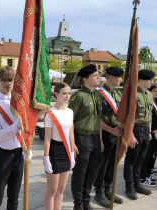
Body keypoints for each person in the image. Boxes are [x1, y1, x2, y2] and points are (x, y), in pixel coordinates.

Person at [0, 66, 26, 210]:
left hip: (19, 152)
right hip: (2, 155)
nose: (7, 83)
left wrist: (26, 145)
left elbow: (26, 128)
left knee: (14, 197)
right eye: (3, 80)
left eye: (10, 80)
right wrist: (17, 126)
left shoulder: (19, 101)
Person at [68, 64, 103, 210]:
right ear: (85, 79)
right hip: (82, 138)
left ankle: (86, 199)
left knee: (92, 171)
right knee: (80, 172)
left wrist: (100, 140)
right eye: (95, 76)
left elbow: (99, 120)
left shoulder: (98, 95)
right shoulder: (78, 96)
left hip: (95, 139)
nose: (98, 78)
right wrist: (73, 142)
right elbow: (70, 119)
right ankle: (78, 202)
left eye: (97, 75)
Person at [43, 82, 78, 210]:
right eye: (64, 93)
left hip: (67, 151)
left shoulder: (70, 112)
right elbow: (46, 138)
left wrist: (73, 153)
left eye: (69, 93)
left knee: (61, 189)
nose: (67, 96)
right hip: (54, 151)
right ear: (56, 94)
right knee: (52, 190)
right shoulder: (50, 113)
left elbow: (71, 134)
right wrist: (46, 158)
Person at [93, 67, 124, 207]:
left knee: (112, 163)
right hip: (105, 133)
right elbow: (97, 118)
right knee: (103, 163)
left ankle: (108, 189)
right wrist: (111, 130)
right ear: (112, 78)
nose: (121, 80)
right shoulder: (99, 94)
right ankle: (99, 191)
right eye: (119, 78)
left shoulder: (116, 93)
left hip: (115, 133)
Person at [123, 69, 155, 200]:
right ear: (141, 80)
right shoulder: (133, 95)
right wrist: (130, 135)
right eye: (150, 80)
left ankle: (137, 184)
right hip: (134, 130)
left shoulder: (148, 94)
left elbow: (149, 114)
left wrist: (149, 131)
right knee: (131, 160)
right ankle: (129, 187)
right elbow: (127, 116)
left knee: (141, 159)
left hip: (145, 130)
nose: (152, 82)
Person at [140, 83, 157, 186]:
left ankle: (149, 171)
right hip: (150, 131)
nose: (156, 93)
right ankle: (143, 176)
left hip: (154, 132)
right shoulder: (149, 101)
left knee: (152, 154)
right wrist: (153, 129)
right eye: (154, 91)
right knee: (147, 155)